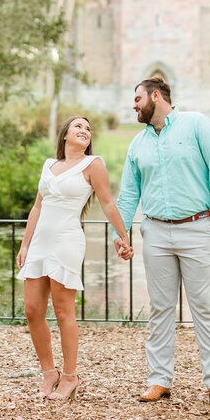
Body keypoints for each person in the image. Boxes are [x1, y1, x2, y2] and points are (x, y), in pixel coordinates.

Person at [114, 78, 210, 405]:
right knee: (161, 308)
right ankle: (159, 380)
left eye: (137, 98)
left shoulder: (197, 124)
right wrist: (120, 235)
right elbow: (128, 196)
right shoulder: (137, 143)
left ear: (155, 96)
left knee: (204, 307)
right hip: (155, 232)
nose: (134, 105)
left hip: (197, 227)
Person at [16, 115, 133, 401]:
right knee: (32, 310)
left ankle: (70, 376)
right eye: (78, 126)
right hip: (40, 242)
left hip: (67, 240)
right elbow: (37, 207)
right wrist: (25, 244)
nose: (85, 131)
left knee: (63, 309)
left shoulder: (94, 165)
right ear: (65, 134)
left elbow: (107, 202)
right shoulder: (48, 165)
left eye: (88, 129)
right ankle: (49, 373)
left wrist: (123, 236)